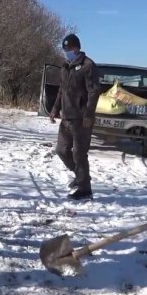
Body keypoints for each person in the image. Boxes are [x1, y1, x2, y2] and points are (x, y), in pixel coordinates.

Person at [48, 34, 101, 200]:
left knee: (79, 153)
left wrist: (89, 114)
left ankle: (85, 189)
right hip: (66, 117)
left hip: (81, 118)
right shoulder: (65, 67)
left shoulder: (88, 66)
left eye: (69, 49)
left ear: (77, 48)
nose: (66, 52)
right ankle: (81, 177)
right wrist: (55, 109)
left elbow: (94, 91)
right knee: (61, 150)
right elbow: (61, 91)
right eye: (64, 49)